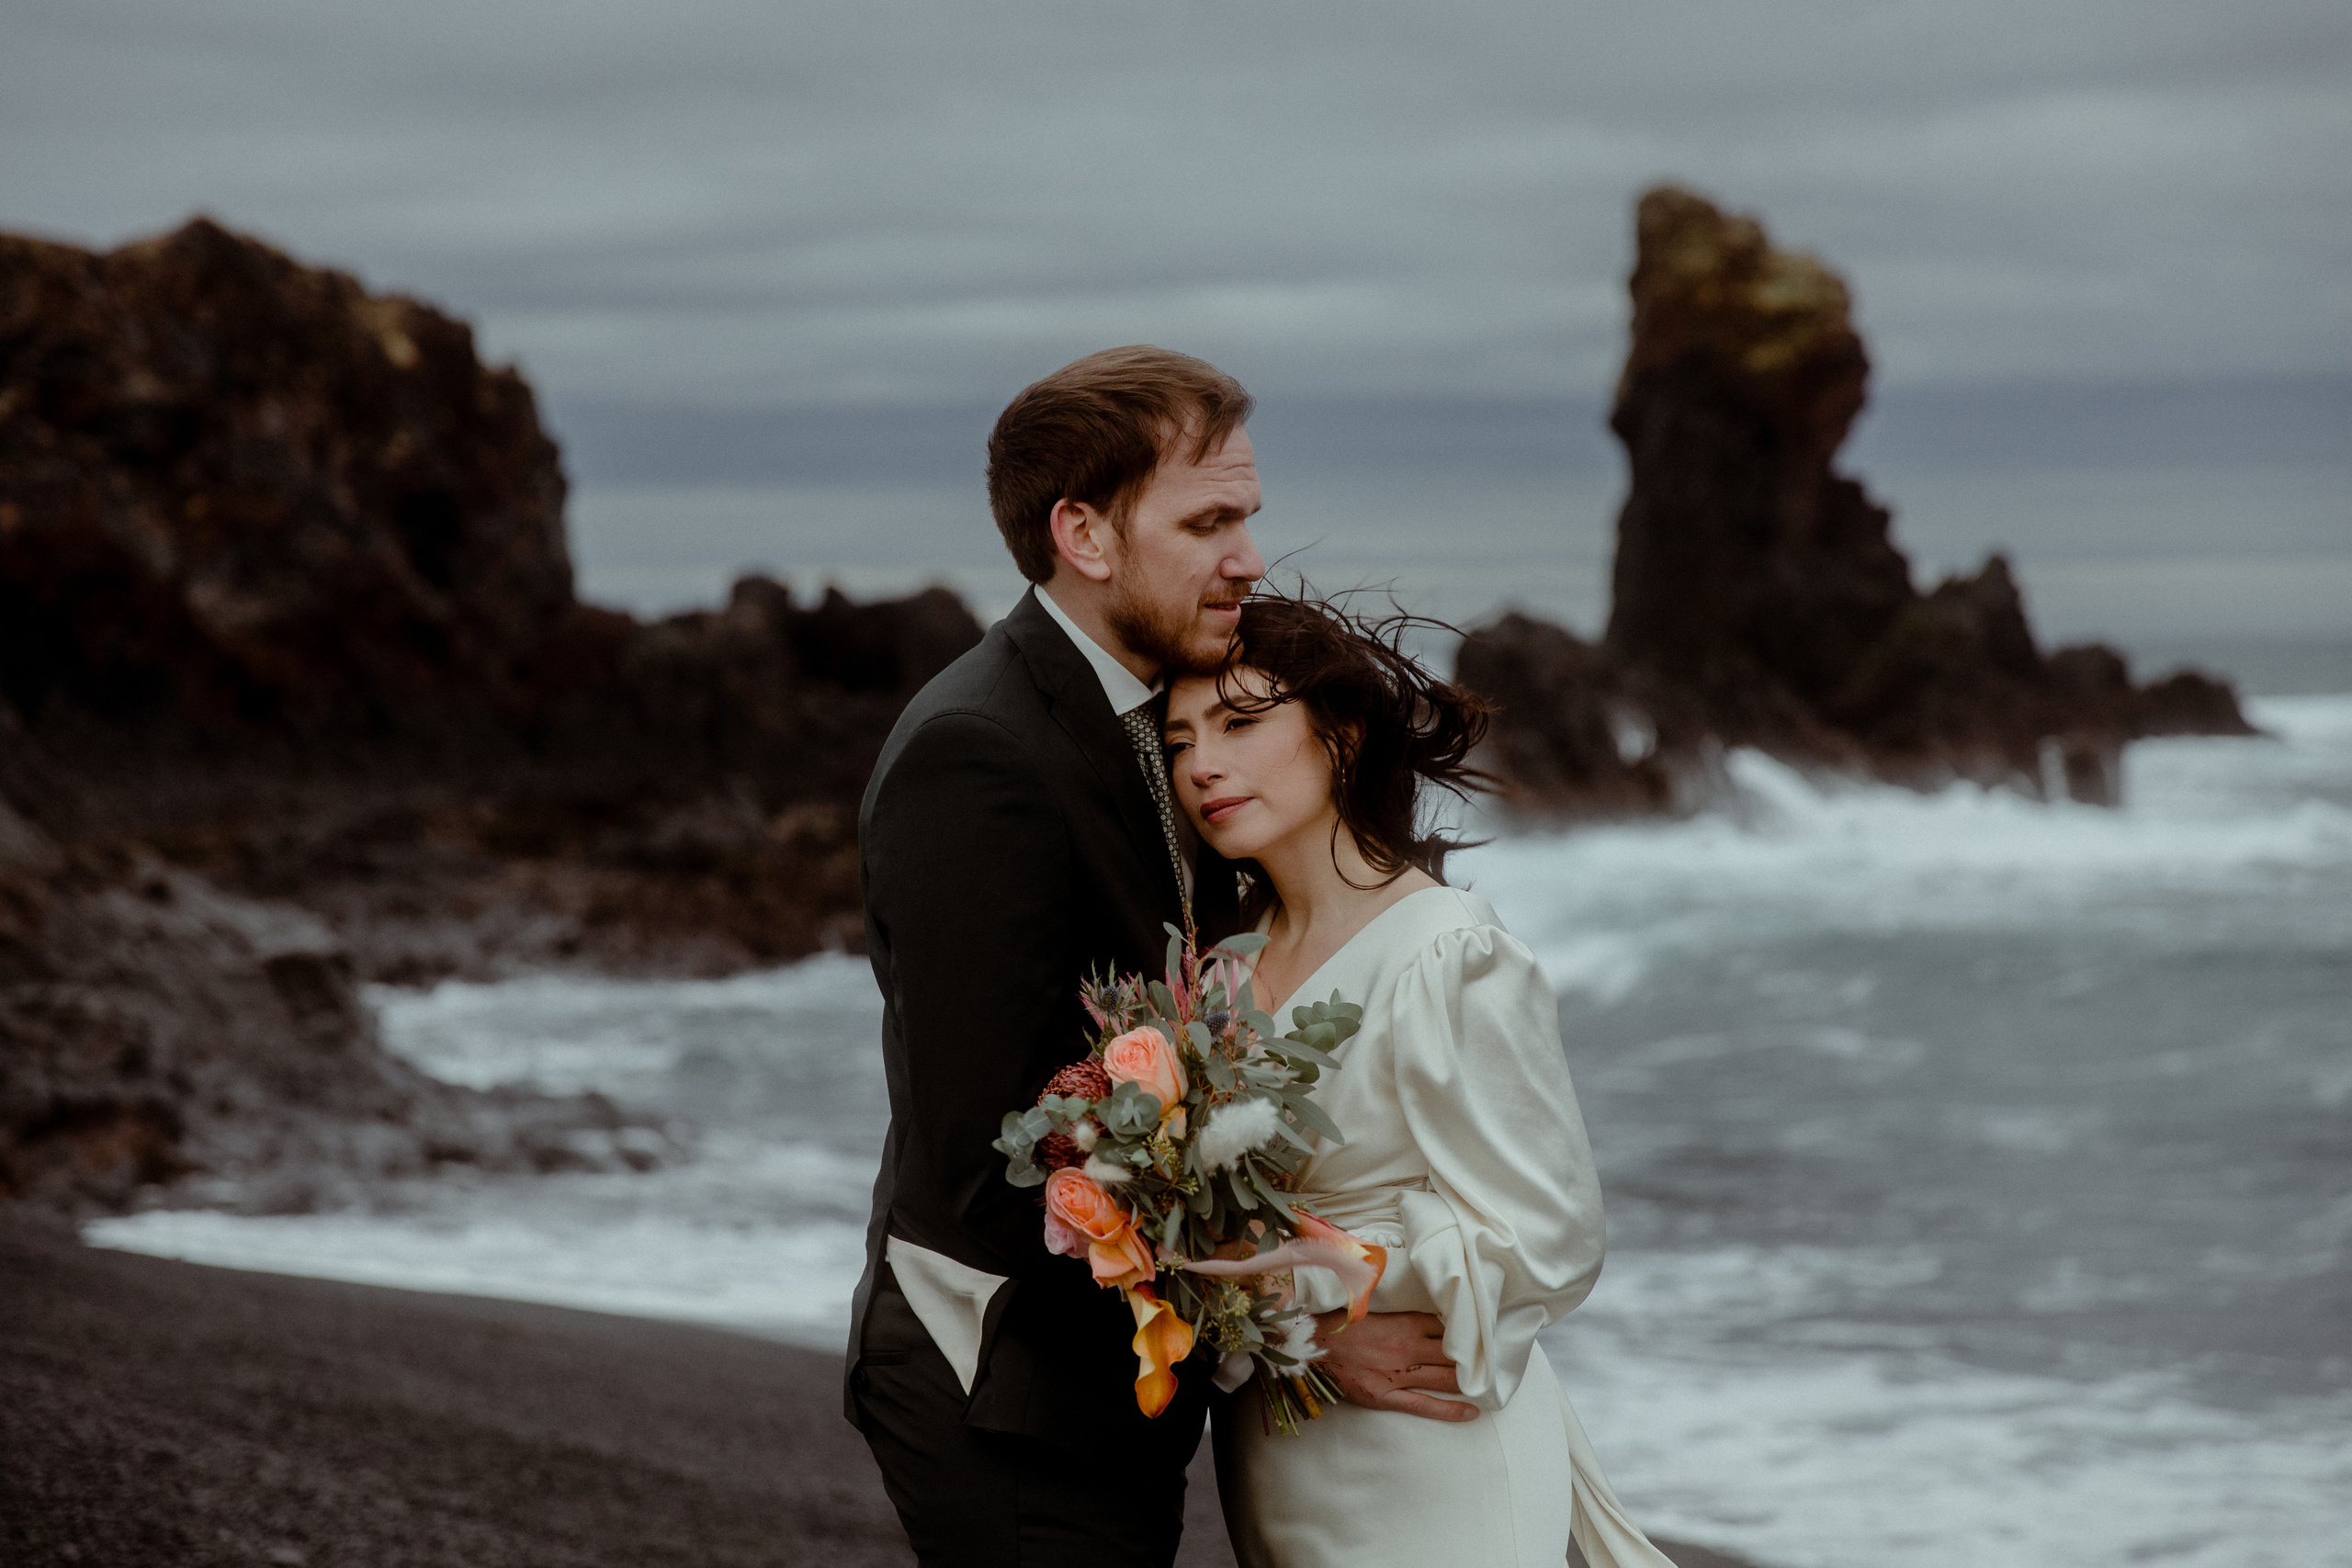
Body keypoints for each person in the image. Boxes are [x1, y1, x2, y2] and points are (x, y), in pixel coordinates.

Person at [1161, 596, 1679, 1568]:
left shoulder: (1449, 954)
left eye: (1239, 722)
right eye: (1180, 739)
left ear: (1342, 738)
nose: (1202, 765)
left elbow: (1551, 1238)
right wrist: (1280, 1315)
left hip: (1428, 1444)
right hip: (1279, 1441)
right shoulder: (1220, 967)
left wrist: (1330, 1284)